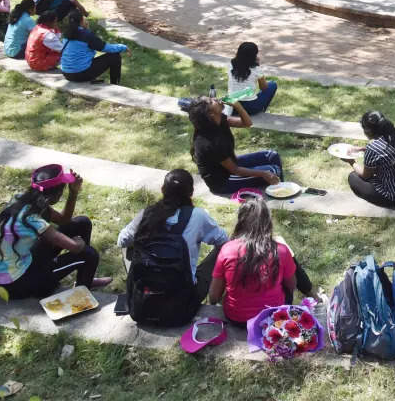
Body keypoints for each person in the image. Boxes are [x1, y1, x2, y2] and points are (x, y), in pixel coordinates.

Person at [0, 165, 111, 298]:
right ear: (55, 195)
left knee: (82, 223)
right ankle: (80, 296)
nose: (62, 194)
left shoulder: (23, 200)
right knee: (89, 254)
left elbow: (64, 219)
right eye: (63, 191)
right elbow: (75, 247)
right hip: (15, 284)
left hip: (20, 263)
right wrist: (79, 243)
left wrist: (73, 192)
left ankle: (85, 279)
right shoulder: (32, 219)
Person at [117, 169, 228, 303]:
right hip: (183, 301)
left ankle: (137, 287)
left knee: (129, 245)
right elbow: (224, 240)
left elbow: (122, 240)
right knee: (223, 250)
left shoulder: (147, 214)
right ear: (191, 193)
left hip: (147, 297)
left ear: (162, 189)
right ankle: (215, 294)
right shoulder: (198, 215)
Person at [208, 196, 315, 324]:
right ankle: (313, 294)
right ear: (268, 223)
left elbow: (213, 297)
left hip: (235, 317)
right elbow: (291, 285)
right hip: (272, 317)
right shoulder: (280, 250)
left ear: (240, 222)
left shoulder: (227, 250)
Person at [188, 96, 282, 195]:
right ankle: (279, 193)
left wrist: (237, 105)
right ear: (210, 114)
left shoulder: (219, 119)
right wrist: (264, 174)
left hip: (231, 166)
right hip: (224, 181)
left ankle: (282, 188)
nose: (215, 98)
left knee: (272, 155)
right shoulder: (210, 142)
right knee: (273, 170)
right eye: (211, 101)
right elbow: (235, 170)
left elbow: (247, 123)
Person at [342, 111, 395, 208]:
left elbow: (365, 176)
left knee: (353, 177)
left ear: (368, 131)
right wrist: (362, 149)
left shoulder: (373, 148)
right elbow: (387, 151)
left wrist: (351, 162)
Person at [59, 11, 127, 84]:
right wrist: (123, 47)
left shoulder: (66, 34)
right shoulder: (86, 35)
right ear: (82, 21)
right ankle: (115, 84)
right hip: (80, 74)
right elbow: (105, 48)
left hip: (66, 73)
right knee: (114, 56)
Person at [228, 42, 277, 116]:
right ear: (254, 56)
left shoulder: (231, 64)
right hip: (251, 107)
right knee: (272, 84)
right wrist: (257, 64)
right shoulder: (256, 69)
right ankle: (262, 110)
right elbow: (264, 88)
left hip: (233, 105)